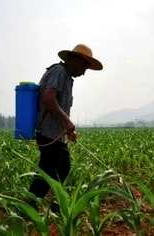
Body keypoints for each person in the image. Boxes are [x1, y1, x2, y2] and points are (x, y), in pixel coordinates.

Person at [29, 44, 103, 204]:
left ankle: (50, 204)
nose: (84, 72)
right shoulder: (59, 72)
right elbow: (48, 98)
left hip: (54, 134)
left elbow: (59, 105)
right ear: (74, 60)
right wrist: (67, 121)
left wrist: (67, 129)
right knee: (53, 169)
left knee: (57, 168)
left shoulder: (67, 77)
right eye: (84, 67)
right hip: (48, 133)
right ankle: (31, 205)